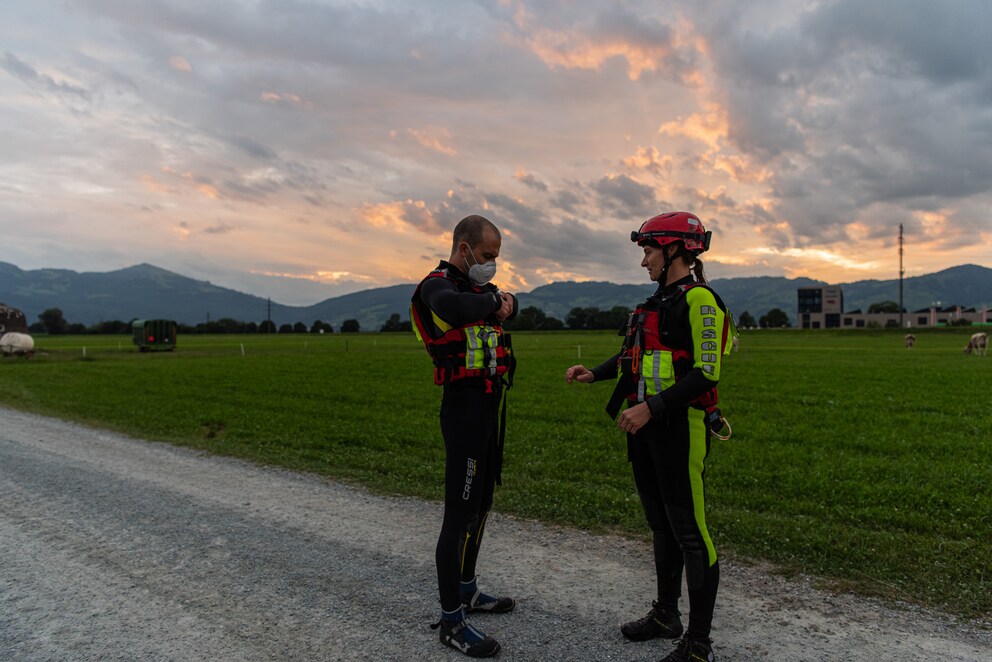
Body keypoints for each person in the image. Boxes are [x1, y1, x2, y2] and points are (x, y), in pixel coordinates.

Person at [565, 211, 734, 662]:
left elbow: (707, 372)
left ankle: (699, 644)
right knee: (661, 528)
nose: (644, 261)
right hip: (645, 430)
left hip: (680, 428)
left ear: (675, 250)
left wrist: (650, 408)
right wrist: (594, 375)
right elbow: (631, 358)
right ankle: (666, 615)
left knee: (691, 533)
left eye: (648, 250)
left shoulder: (700, 301)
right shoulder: (655, 303)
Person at [410, 214, 518, 658]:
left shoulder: (477, 290)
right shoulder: (435, 286)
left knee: (482, 505)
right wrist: (496, 300)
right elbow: (456, 310)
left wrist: (498, 300)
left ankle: (469, 590)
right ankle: (452, 620)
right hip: (463, 411)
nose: (492, 264)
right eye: (488, 256)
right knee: (458, 513)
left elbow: (515, 307)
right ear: (464, 248)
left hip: (489, 407)